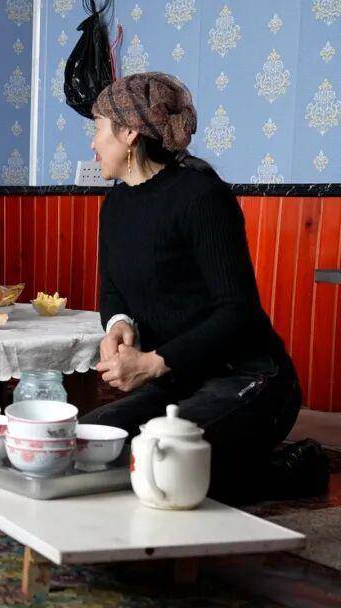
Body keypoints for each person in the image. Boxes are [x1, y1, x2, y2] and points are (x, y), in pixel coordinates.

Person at [80, 72, 327, 503]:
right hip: (180, 381)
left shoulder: (201, 196)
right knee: (91, 441)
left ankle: (295, 469)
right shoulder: (115, 205)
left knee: (164, 457)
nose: (93, 144)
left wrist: (153, 362)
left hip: (249, 377)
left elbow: (237, 311)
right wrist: (118, 324)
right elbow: (113, 289)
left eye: (98, 129)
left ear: (129, 133)